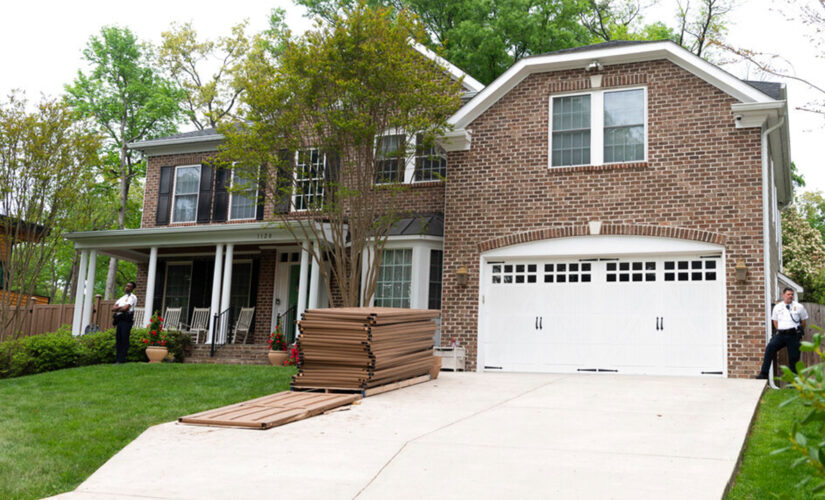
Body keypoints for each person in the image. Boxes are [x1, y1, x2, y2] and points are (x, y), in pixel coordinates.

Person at [757, 287, 808, 379]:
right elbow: (775, 321)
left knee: (794, 358)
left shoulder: (799, 307)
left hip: (793, 335)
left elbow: (803, 321)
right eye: (788, 294)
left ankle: (793, 381)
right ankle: (763, 374)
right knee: (770, 348)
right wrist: (781, 329)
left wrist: (798, 331)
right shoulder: (778, 307)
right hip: (781, 335)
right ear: (783, 295)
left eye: (792, 294)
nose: (790, 296)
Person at [113, 281, 138, 364]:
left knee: (124, 339)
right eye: (126, 286)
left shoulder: (133, 297)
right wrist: (121, 308)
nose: (127, 287)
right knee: (118, 339)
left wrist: (119, 308)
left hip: (126, 319)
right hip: (119, 319)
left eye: (129, 286)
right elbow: (113, 308)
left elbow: (126, 308)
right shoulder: (122, 298)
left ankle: (122, 359)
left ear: (132, 288)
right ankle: (117, 359)